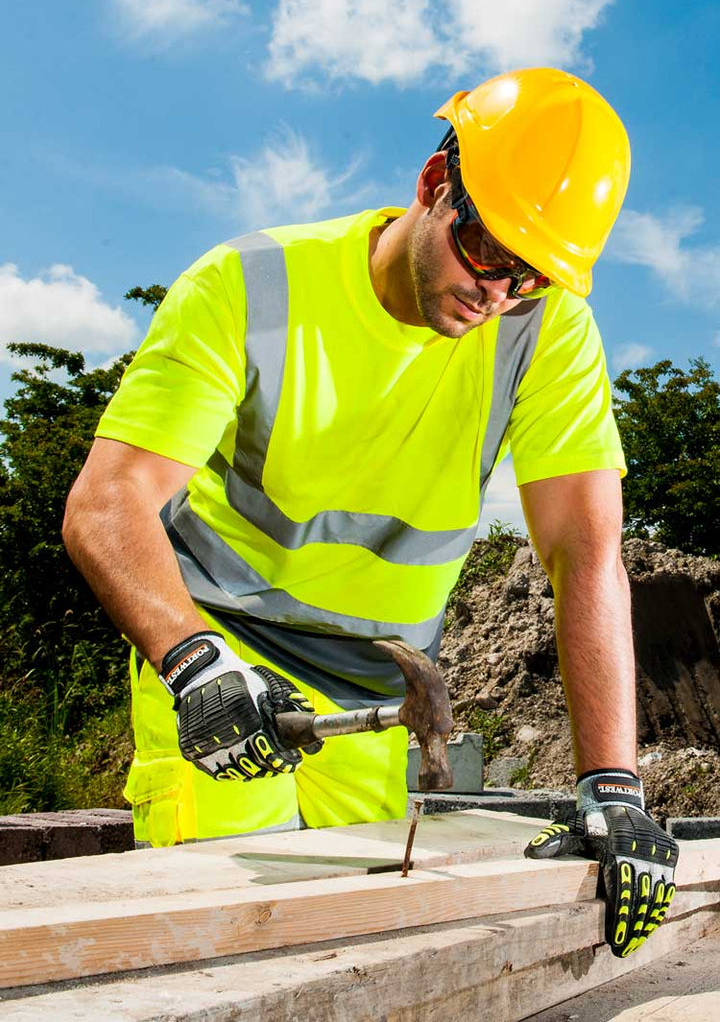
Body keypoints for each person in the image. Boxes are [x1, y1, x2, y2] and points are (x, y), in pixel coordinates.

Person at [63, 67, 678, 958]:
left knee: (356, 957)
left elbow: (587, 554)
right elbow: (106, 502)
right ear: (434, 189)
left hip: (377, 691)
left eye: (532, 277)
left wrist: (614, 787)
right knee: (223, 954)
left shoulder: (546, 333)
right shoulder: (249, 285)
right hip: (225, 662)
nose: (498, 294)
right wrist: (194, 663)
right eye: (487, 252)